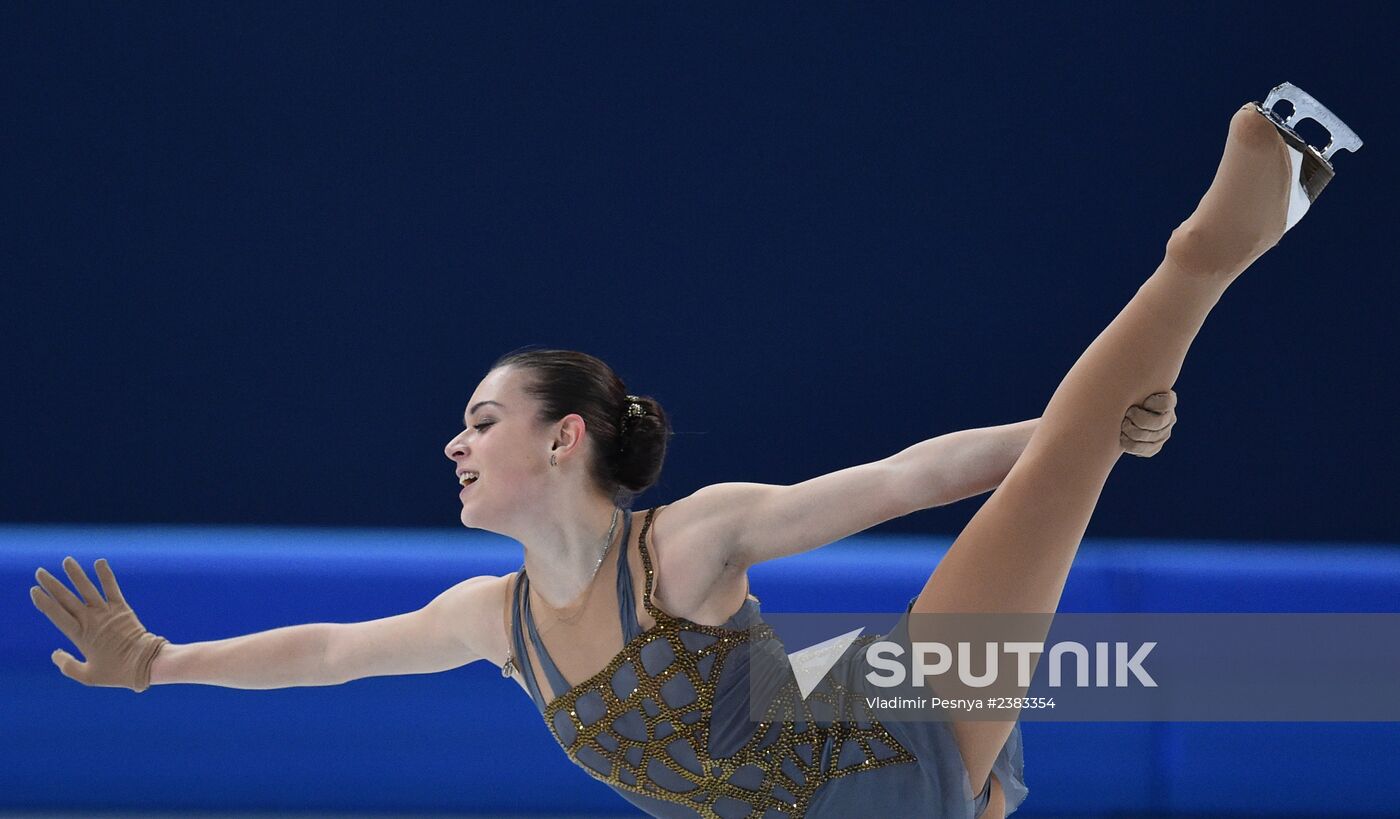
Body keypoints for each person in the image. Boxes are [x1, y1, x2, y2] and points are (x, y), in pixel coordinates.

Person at [29, 85, 1358, 818]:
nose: (453, 443)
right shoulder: (496, 622)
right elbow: (324, 652)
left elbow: (902, 480)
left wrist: (1059, 433)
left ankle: (1213, 247)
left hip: (901, 749)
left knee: (1054, 486)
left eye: (480, 421)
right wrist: (160, 665)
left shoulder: (689, 543)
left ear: (564, 441)